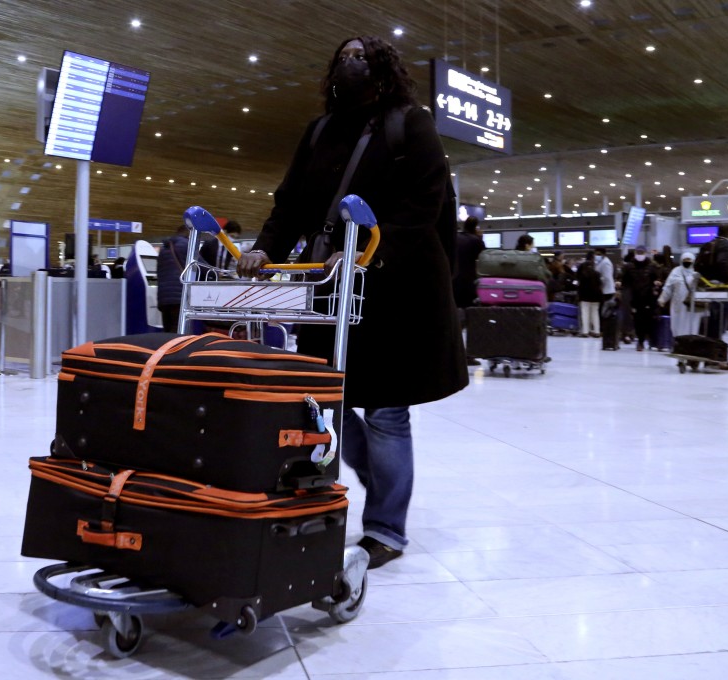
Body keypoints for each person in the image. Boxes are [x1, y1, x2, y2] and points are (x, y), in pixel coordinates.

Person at [236, 36, 468, 569]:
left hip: (396, 289)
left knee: (386, 410)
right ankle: (366, 489)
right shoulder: (319, 132)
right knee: (326, 402)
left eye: (361, 56)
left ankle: (386, 529)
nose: (350, 63)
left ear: (383, 68)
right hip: (330, 288)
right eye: (343, 56)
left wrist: (368, 252)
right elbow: (290, 204)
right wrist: (265, 248)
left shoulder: (410, 123)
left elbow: (424, 202)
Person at [619, 244, 661, 351]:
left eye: (641, 253)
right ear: (635, 253)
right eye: (638, 253)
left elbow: (658, 278)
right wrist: (620, 284)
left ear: (645, 253)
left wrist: (657, 282)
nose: (640, 255)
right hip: (635, 298)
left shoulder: (652, 266)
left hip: (648, 297)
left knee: (649, 319)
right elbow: (623, 280)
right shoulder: (629, 267)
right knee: (638, 320)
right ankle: (640, 341)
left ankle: (652, 340)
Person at [658, 252, 703, 337]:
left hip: (692, 306)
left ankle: (690, 341)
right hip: (678, 305)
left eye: (689, 260)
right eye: (685, 260)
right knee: (677, 325)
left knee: (691, 325)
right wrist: (663, 299)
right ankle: (678, 340)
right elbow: (668, 286)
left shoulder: (696, 273)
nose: (687, 262)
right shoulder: (676, 272)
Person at [156, 224, 189, 333]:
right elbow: (199, 265)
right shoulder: (187, 245)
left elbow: (159, 272)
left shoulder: (164, 248)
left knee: (167, 330)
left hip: (163, 297)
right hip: (178, 296)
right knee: (178, 331)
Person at [453, 215, 484, 310]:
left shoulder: (456, 237)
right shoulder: (476, 240)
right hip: (469, 280)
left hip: (454, 278)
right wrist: (480, 238)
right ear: (476, 227)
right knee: (470, 307)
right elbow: (483, 259)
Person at [576, 251, 604, 337]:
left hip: (584, 295)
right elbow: (600, 283)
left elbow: (577, 279)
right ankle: (596, 331)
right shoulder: (597, 270)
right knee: (595, 313)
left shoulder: (582, 270)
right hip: (596, 295)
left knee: (585, 313)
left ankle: (585, 331)